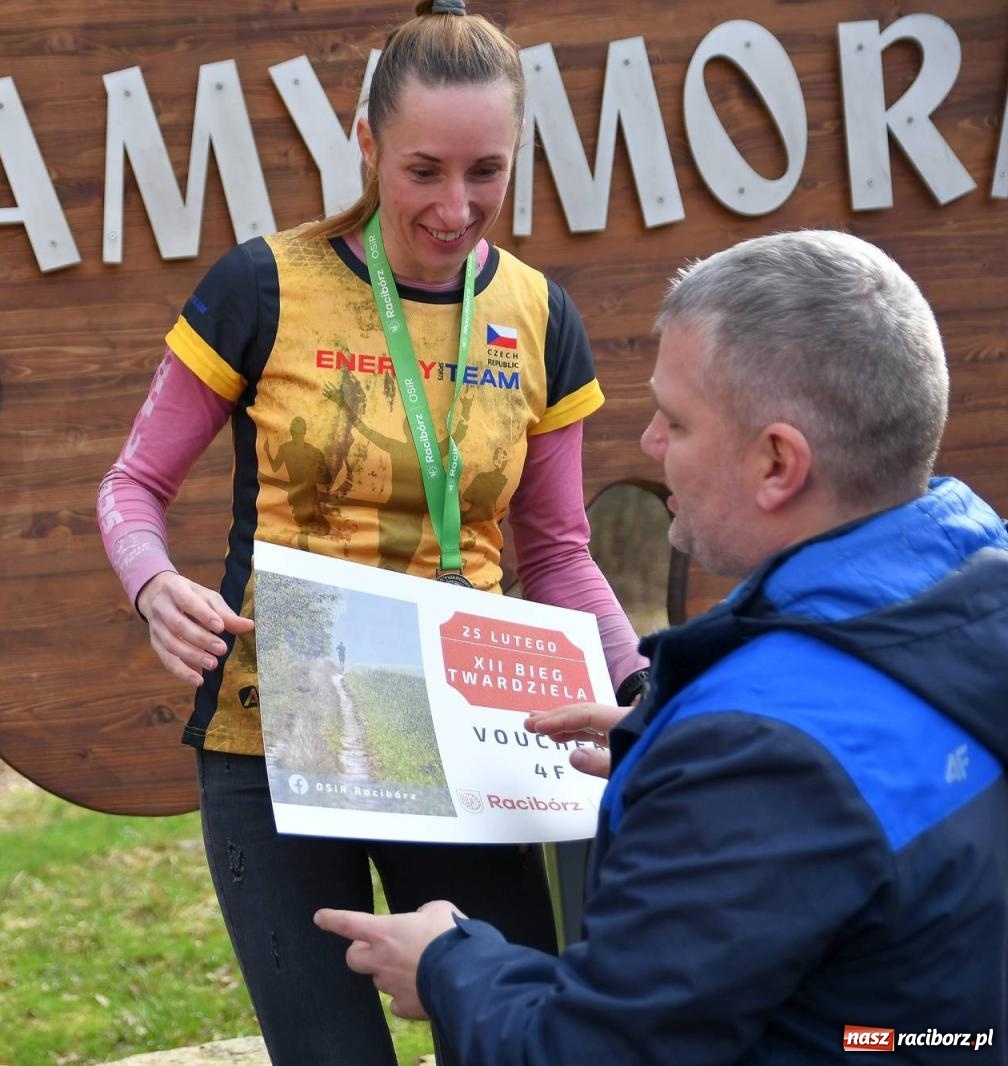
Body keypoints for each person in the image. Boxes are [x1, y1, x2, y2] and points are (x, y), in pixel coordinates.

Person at [97, 2, 648, 1060]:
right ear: (364, 146)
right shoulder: (264, 283)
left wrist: (643, 696)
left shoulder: (540, 314)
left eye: (485, 172)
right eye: (422, 170)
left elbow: (557, 552)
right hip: (276, 732)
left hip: (469, 745)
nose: (455, 206)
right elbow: (130, 487)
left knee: (508, 1038)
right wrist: (151, 583)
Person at [316, 230, 1008, 1063]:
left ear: (777, 462)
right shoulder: (971, 595)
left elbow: (591, 1050)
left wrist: (446, 966)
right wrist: (665, 751)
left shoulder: (756, 758)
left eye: (674, 420)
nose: (648, 442)